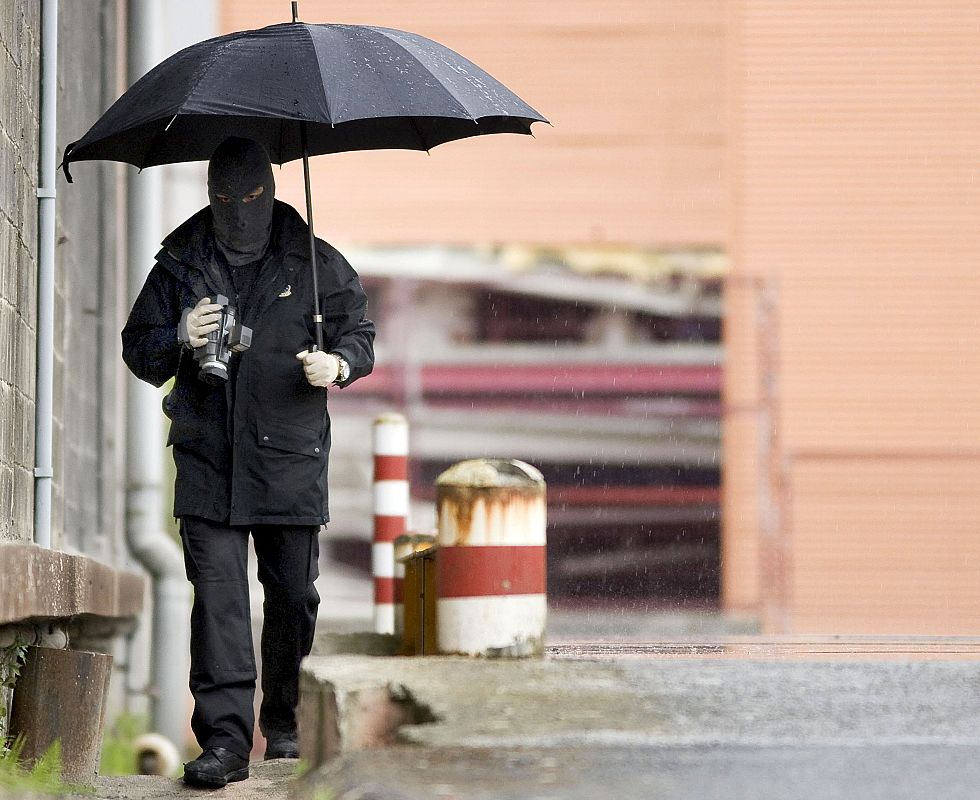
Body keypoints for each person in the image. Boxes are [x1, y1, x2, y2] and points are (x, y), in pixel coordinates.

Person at [122, 137, 375, 787]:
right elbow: (139, 351)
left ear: (270, 191)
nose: (237, 210)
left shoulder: (314, 264)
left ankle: (285, 724)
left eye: (251, 197)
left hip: (290, 457)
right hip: (207, 456)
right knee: (219, 603)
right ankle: (227, 742)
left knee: (293, 595)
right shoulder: (181, 262)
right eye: (224, 198)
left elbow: (359, 333)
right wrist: (181, 333)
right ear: (209, 195)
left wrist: (339, 363)